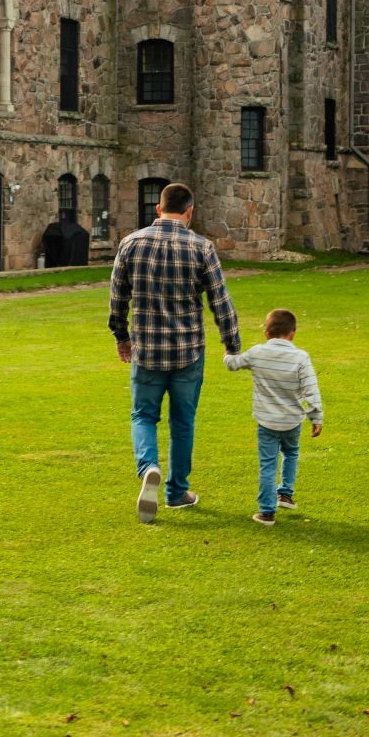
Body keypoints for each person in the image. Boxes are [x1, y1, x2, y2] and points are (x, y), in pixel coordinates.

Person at [108, 181, 240, 523]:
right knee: (183, 422)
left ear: (158, 208)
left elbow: (118, 297)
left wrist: (121, 336)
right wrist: (232, 344)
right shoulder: (201, 247)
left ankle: (148, 467)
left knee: (143, 416)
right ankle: (177, 491)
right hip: (187, 351)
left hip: (147, 349)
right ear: (190, 211)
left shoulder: (131, 243)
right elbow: (220, 301)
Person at [224, 308, 323, 526]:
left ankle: (267, 511)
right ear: (293, 333)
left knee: (268, 464)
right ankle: (285, 494)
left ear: (266, 332)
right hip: (292, 420)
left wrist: (228, 350)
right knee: (291, 453)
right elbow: (311, 389)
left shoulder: (257, 353)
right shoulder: (301, 358)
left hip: (266, 421)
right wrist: (316, 417)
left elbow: (233, 363)